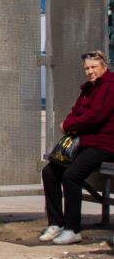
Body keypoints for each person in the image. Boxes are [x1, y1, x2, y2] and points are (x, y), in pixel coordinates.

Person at [39, 50, 114, 246]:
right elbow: (75, 111)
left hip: (104, 144)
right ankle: (57, 224)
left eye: (94, 67)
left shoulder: (109, 85)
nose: (90, 72)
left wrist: (69, 125)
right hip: (86, 142)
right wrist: (68, 122)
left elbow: (96, 116)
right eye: (87, 68)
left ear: (104, 67)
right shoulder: (88, 89)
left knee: (71, 176)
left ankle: (73, 229)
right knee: (49, 172)